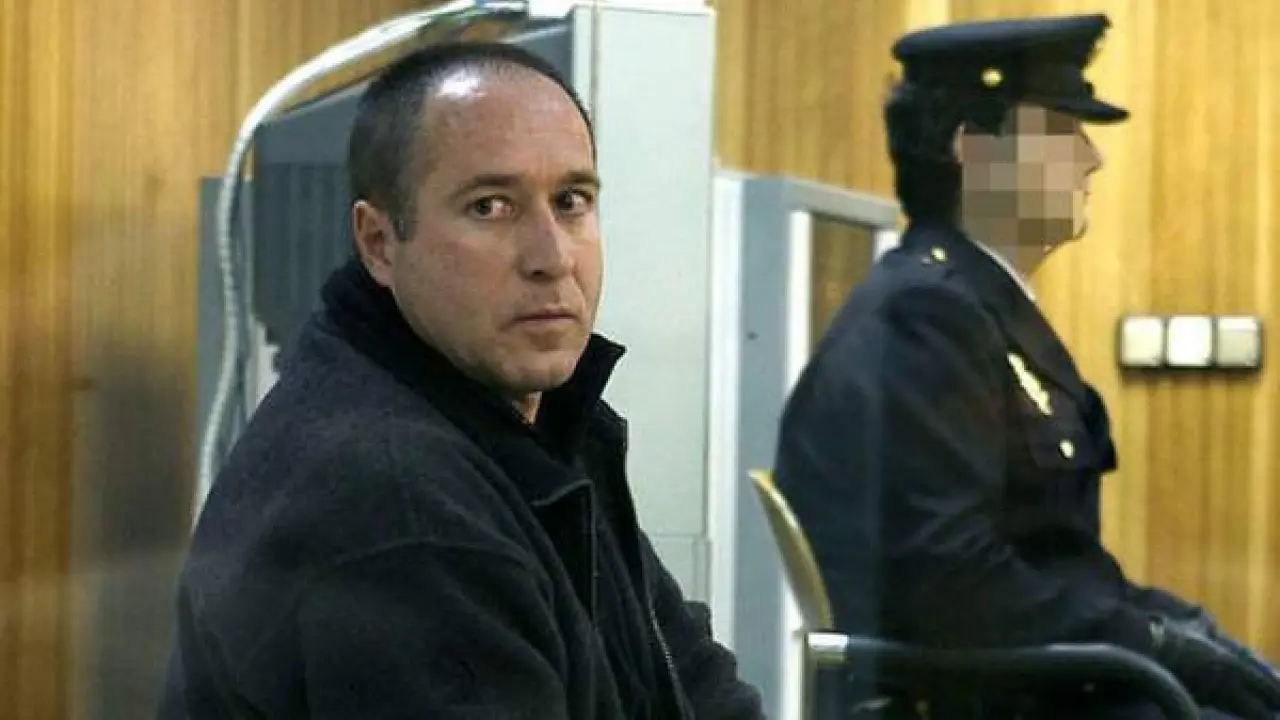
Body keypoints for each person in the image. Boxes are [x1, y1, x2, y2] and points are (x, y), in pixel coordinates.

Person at [157, 41, 764, 719]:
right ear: (380, 243)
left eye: (571, 201)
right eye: (490, 207)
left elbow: (698, 685)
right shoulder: (398, 503)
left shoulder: (532, 426)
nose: (552, 257)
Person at [770, 13, 1280, 720]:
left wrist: (1186, 631)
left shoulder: (977, 308)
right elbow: (956, 586)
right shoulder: (925, 319)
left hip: (1042, 683)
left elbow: (1056, 563)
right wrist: (1157, 644)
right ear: (974, 149)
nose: (1092, 159)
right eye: (1063, 131)